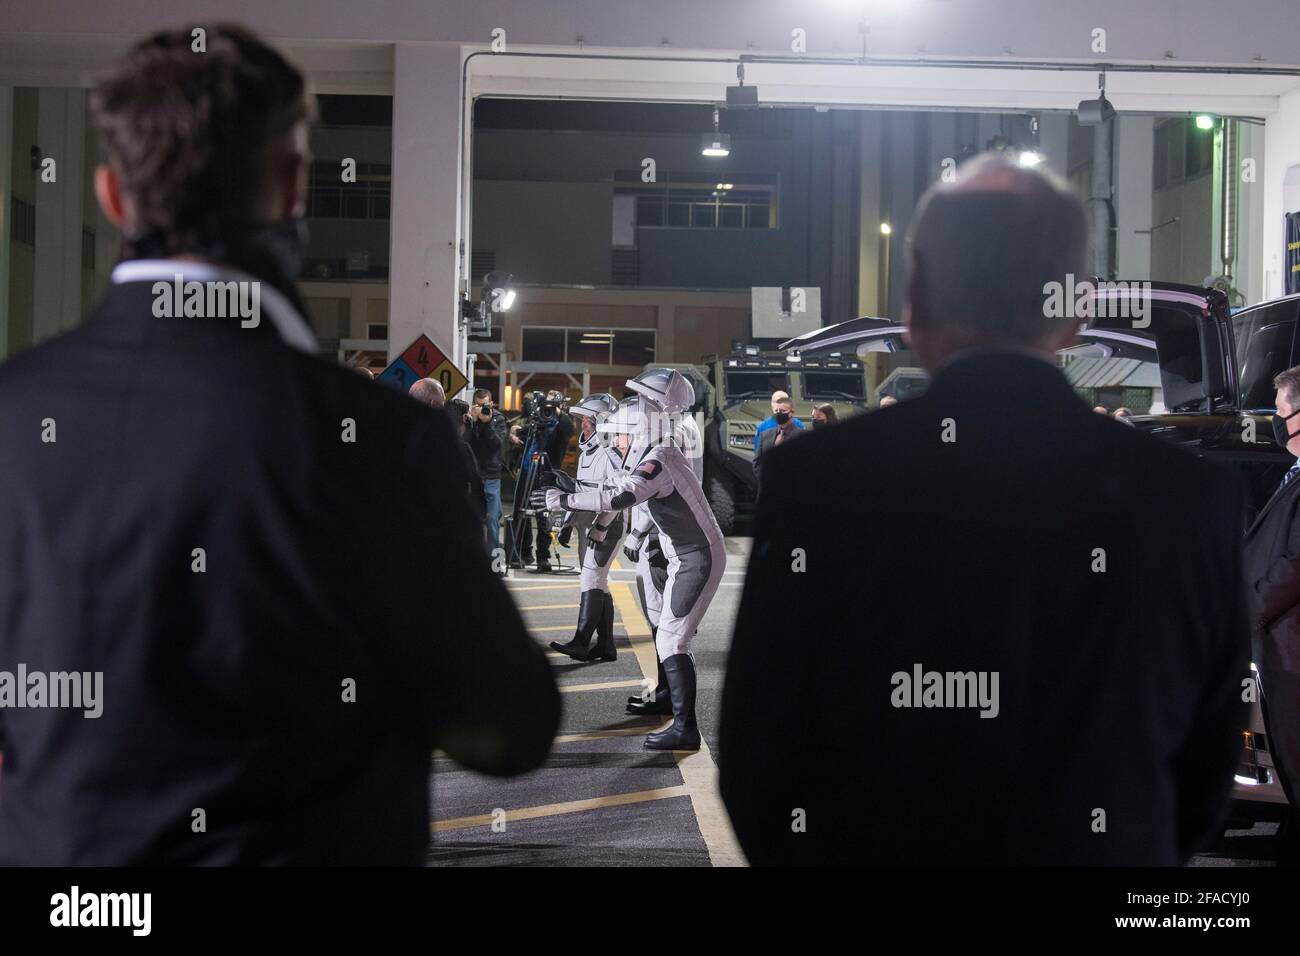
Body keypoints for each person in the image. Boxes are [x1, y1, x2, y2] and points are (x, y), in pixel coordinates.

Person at [0, 25, 559, 865]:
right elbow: (509, 726)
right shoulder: (382, 441)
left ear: (112, 197)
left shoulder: (15, 411)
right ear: (295, 185)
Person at [720, 153, 1249, 866]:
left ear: (915, 301)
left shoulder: (816, 482)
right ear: (1076, 310)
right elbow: (1207, 770)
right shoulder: (1190, 497)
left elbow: (757, 754)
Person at [543, 371, 725, 751]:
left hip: (696, 556)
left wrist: (565, 501)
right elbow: (618, 490)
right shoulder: (659, 449)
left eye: (620, 435)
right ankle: (673, 709)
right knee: (667, 633)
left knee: (672, 637)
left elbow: (619, 497)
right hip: (683, 552)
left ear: (640, 429)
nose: (616, 442)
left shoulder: (660, 456)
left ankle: (685, 728)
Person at [1243, 366, 1300, 861]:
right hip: (1279, 651)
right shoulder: (1292, 475)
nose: (1277, 423)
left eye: (1281, 412)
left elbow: (1295, 565)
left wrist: (1250, 611)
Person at [549, 393, 623, 664]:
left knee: (591, 580)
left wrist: (602, 527)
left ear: (601, 421)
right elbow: (581, 495)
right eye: (582, 420)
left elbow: (618, 497)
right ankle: (605, 645)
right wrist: (568, 523)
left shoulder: (611, 454)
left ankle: (581, 642)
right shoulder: (588, 454)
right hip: (589, 526)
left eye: (587, 420)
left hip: (608, 526)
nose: (583, 425)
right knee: (599, 583)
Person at [466, 387, 508, 554]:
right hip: (473, 475)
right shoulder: (469, 419)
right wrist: (472, 422)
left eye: (484, 405)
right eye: (478, 405)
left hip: (491, 474)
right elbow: (465, 442)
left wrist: (487, 423)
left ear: (491, 403)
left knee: (492, 517)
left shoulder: (498, 419)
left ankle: (493, 556)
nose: (482, 408)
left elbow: (496, 444)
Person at [753, 394, 801, 495]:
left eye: (783, 411)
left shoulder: (801, 436)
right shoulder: (764, 435)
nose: (779, 414)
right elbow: (757, 462)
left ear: (791, 413)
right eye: (777, 411)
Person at [752, 389, 804, 453]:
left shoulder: (798, 425)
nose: (779, 404)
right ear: (772, 404)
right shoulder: (763, 428)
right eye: (776, 401)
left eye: (783, 401)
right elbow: (757, 452)